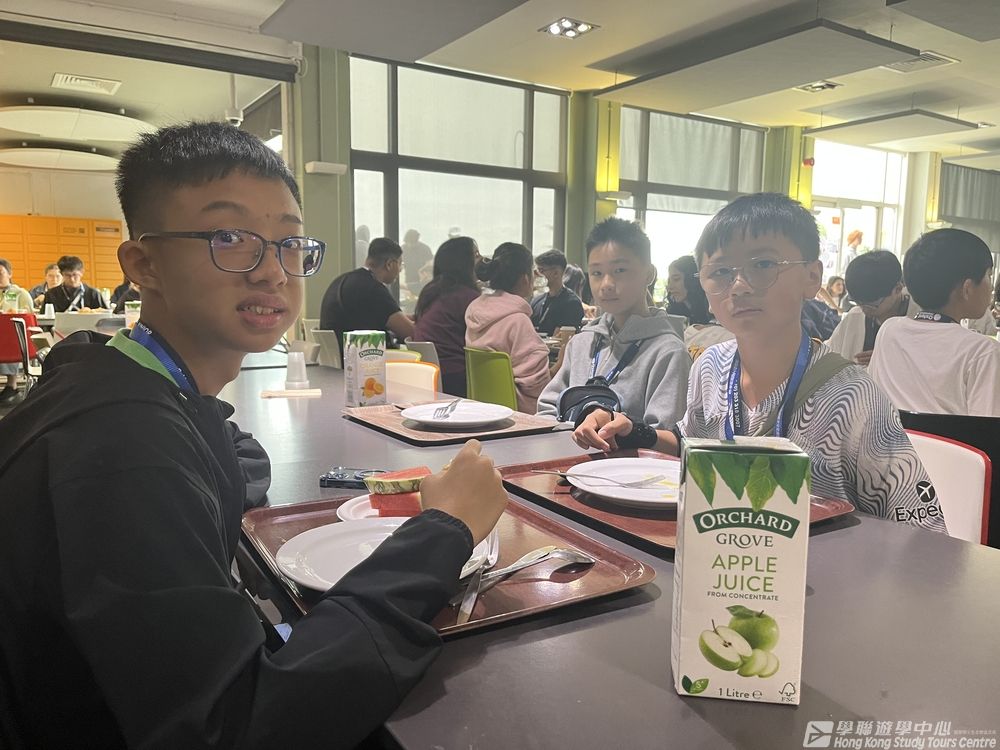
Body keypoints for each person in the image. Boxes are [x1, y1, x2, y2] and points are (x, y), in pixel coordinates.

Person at [0, 121, 508, 748]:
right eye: (229, 238)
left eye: (289, 243)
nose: (272, 272)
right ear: (144, 264)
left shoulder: (122, 385)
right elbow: (239, 725)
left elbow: (219, 447)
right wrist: (445, 530)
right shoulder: (121, 451)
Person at [573, 193, 946, 534]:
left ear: (812, 277)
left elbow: (922, 528)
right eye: (720, 272)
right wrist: (634, 431)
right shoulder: (710, 367)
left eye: (763, 264)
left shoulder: (851, 395)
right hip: (725, 557)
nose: (739, 286)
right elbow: (693, 443)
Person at [536, 217, 690, 429]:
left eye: (620, 270)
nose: (606, 284)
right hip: (567, 449)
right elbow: (547, 409)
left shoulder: (669, 353)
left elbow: (664, 435)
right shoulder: (581, 343)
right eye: (597, 273)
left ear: (649, 274)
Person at [869, 229, 1000, 417]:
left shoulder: (889, 331)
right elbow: (988, 428)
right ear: (967, 289)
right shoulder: (983, 351)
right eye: (988, 276)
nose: (991, 286)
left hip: (887, 435)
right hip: (952, 438)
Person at [465, 242, 550, 413]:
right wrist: (560, 366)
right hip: (520, 414)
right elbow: (536, 385)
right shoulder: (517, 321)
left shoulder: (475, 315)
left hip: (483, 410)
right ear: (525, 279)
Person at [319, 237, 415, 354]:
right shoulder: (373, 289)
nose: (400, 270)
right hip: (361, 359)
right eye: (400, 264)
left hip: (339, 357)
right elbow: (411, 333)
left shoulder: (343, 280)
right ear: (389, 264)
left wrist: (405, 318)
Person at [412, 236, 481, 396]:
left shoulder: (433, 291)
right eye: (476, 255)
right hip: (456, 376)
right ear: (464, 262)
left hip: (430, 374)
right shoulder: (466, 297)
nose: (482, 260)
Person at [826, 251, 919, 366]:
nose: (864, 310)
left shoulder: (921, 317)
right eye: (858, 303)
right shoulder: (855, 316)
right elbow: (828, 353)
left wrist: (890, 360)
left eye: (872, 305)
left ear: (897, 289)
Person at [0, 258, 36, 404]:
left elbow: (30, 316)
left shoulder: (20, 293)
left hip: (14, 338)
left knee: (9, 333)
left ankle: (12, 384)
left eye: (0, 273)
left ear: (10, 274)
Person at [530, 250, 584, 336]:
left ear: (556, 273)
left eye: (541, 270)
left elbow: (559, 339)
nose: (536, 276)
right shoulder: (536, 301)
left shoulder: (571, 303)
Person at [41, 255, 105, 312]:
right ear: (61, 274)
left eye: (75, 275)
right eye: (67, 275)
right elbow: (44, 318)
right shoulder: (51, 295)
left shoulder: (93, 294)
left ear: (82, 272)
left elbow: (105, 316)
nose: (72, 279)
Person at [664, 255, 712, 324]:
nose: (670, 287)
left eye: (676, 279)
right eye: (669, 281)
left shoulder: (712, 308)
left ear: (692, 279)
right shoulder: (674, 312)